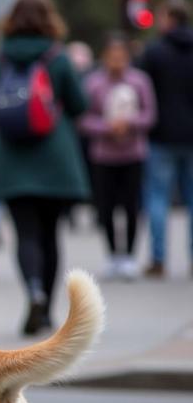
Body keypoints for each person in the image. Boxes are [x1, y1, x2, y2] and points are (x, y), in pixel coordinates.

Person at [0, 0, 89, 336]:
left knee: (25, 234)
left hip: (13, 159)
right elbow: (80, 104)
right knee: (51, 234)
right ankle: (48, 309)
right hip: (55, 158)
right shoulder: (59, 58)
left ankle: (33, 292)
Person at [79, 33, 156, 280]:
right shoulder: (93, 84)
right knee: (106, 206)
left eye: (121, 57)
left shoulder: (140, 82)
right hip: (104, 155)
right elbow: (82, 117)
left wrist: (129, 124)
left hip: (132, 153)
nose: (116, 62)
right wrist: (106, 127)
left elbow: (150, 114)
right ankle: (113, 254)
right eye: (112, 57)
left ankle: (129, 256)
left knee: (132, 206)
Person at [139, 0, 193, 278]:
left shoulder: (155, 52)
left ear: (170, 19)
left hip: (161, 134)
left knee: (157, 197)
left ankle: (158, 258)